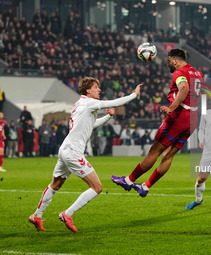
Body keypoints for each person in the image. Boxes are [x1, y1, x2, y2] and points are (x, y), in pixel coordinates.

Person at [28, 77, 142, 232]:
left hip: (65, 150)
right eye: (97, 87)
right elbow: (113, 103)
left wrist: (108, 117)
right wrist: (134, 95)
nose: (99, 90)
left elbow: (90, 125)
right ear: (88, 90)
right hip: (74, 152)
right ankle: (67, 214)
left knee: (55, 185)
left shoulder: (79, 104)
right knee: (97, 187)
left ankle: (37, 215)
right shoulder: (89, 103)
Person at [111, 48, 203, 197]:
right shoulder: (198, 73)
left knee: (155, 151)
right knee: (169, 155)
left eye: (168, 61)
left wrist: (171, 108)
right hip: (192, 118)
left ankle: (128, 181)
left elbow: (184, 89)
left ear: (175, 60)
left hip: (179, 116)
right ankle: (146, 186)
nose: (168, 65)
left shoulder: (179, 73)